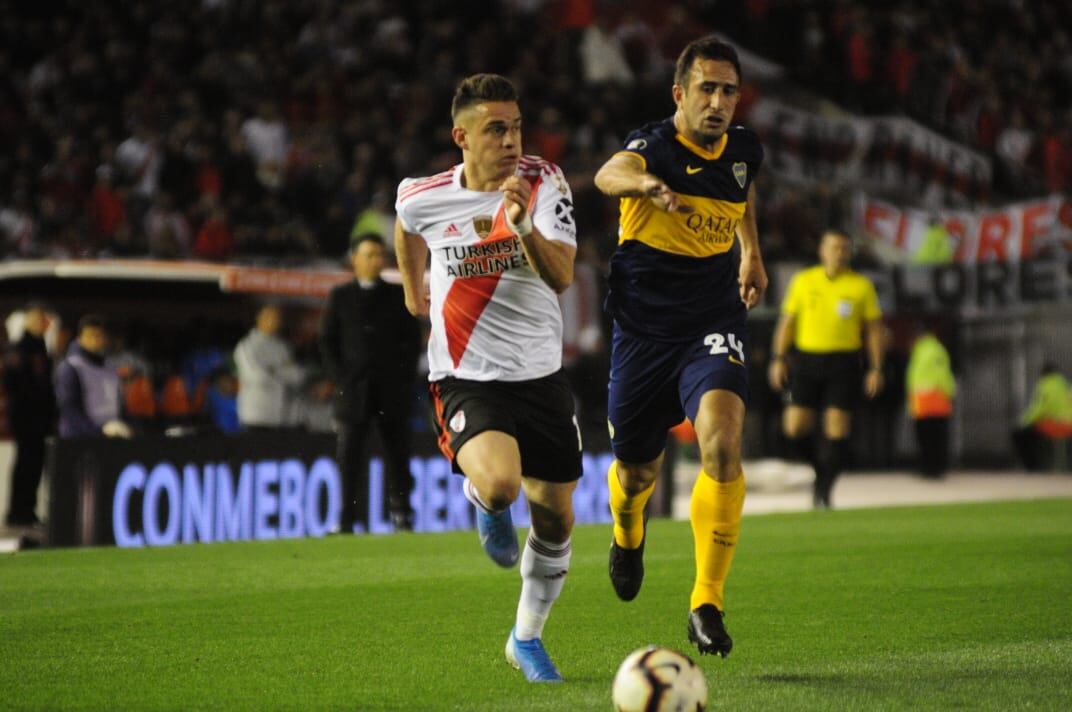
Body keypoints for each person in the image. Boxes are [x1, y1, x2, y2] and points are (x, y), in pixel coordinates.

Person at [395, 73, 580, 682]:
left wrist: (521, 224)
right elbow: (404, 223)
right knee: (501, 484)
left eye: (516, 128)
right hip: (466, 376)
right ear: (462, 137)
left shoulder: (544, 182)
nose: (511, 141)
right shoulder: (424, 195)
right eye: (496, 129)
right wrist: (413, 289)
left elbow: (561, 276)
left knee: (555, 519)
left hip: (541, 376)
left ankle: (526, 638)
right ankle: (484, 500)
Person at [593, 37, 768, 658]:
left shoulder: (744, 148)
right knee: (636, 471)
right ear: (679, 94)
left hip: (711, 321)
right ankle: (628, 531)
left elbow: (742, 191)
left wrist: (751, 250)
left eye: (728, 91)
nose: (717, 102)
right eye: (706, 90)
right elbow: (607, 174)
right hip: (643, 333)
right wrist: (644, 185)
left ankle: (706, 602)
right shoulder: (654, 147)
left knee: (722, 443)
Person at [768, 230, 884, 509]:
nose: (839, 253)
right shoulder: (804, 281)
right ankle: (819, 468)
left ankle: (824, 490)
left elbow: (873, 330)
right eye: (834, 247)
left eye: (844, 248)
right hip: (807, 360)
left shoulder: (860, 286)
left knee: (837, 427)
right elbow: (787, 322)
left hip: (843, 361)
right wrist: (778, 358)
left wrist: (876, 368)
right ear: (822, 251)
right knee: (794, 427)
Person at [319, 233, 421, 533]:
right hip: (354, 392)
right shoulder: (340, 297)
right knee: (349, 457)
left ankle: (402, 513)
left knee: (398, 454)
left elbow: (412, 342)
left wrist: (403, 378)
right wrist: (340, 378)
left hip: (391, 391)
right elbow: (327, 341)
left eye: (380, 255)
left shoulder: (397, 295)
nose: (376, 260)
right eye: (370, 255)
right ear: (354, 259)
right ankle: (346, 517)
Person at [3, 304, 57, 527]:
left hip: (40, 419)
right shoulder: (20, 349)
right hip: (25, 418)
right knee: (24, 465)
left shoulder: (42, 349)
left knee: (35, 465)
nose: (39, 324)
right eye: (35, 319)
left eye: (42, 320)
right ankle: (17, 512)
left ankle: (29, 510)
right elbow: (14, 384)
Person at [56, 315, 132, 439]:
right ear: (80, 338)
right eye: (90, 335)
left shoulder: (110, 368)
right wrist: (98, 432)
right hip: (80, 438)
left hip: (110, 435)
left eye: (99, 335)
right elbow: (70, 408)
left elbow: (117, 404)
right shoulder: (72, 367)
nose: (95, 340)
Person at [233, 305, 304, 430]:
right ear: (259, 319)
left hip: (282, 416)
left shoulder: (282, 346)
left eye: (278, 318)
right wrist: (283, 370)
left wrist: (272, 369)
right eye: (270, 317)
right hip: (256, 415)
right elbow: (258, 376)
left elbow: (298, 376)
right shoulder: (247, 346)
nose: (275, 321)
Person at [906, 327, 956, 478]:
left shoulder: (923, 351)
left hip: (924, 399)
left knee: (925, 437)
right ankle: (936, 467)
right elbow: (943, 373)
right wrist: (949, 392)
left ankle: (929, 467)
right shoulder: (936, 349)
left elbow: (914, 376)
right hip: (936, 398)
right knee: (937, 436)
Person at [1012, 363, 1072, 471]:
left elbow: (1039, 409)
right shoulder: (1066, 385)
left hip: (1055, 425)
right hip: (1069, 426)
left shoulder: (1045, 385)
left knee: (1020, 434)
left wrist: (1023, 422)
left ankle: (1031, 466)